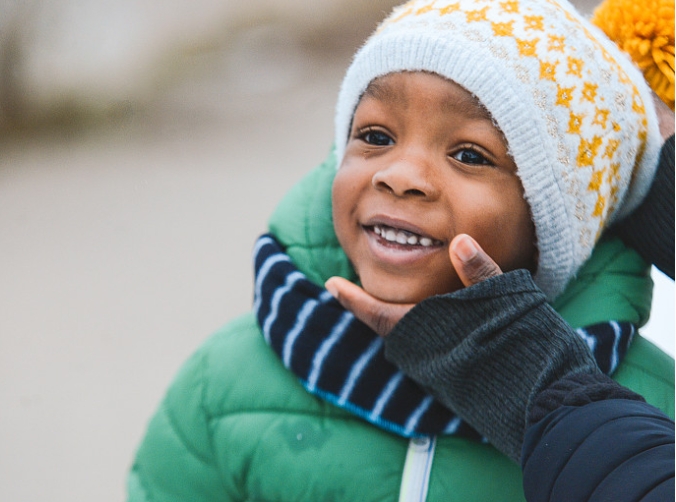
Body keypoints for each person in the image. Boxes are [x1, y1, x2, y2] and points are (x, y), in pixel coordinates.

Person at [127, 1, 674, 500]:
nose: (401, 175)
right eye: (377, 136)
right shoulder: (224, 382)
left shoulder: (644, 410)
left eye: (468, 153)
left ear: (557, 224)